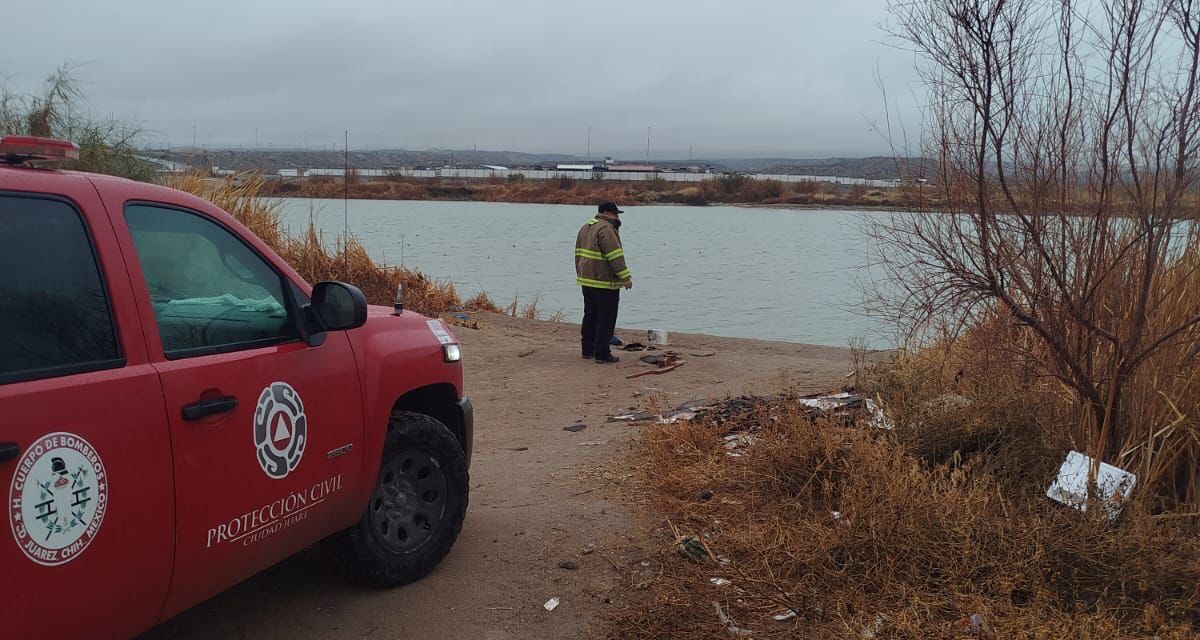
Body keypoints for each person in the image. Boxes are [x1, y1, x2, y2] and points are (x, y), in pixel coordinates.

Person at [575, 201, 633, 363]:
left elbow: (578, 254)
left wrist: (580, 273)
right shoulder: (606, 228)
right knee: (606, 318)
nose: (617, 217)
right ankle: (602, 354)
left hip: (587, 280)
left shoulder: (586, 227)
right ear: (607, 213)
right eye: (615, 213)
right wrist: (625, 277)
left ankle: (588, 350)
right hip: (604, 282)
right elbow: (615, 256)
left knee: (590, 316)